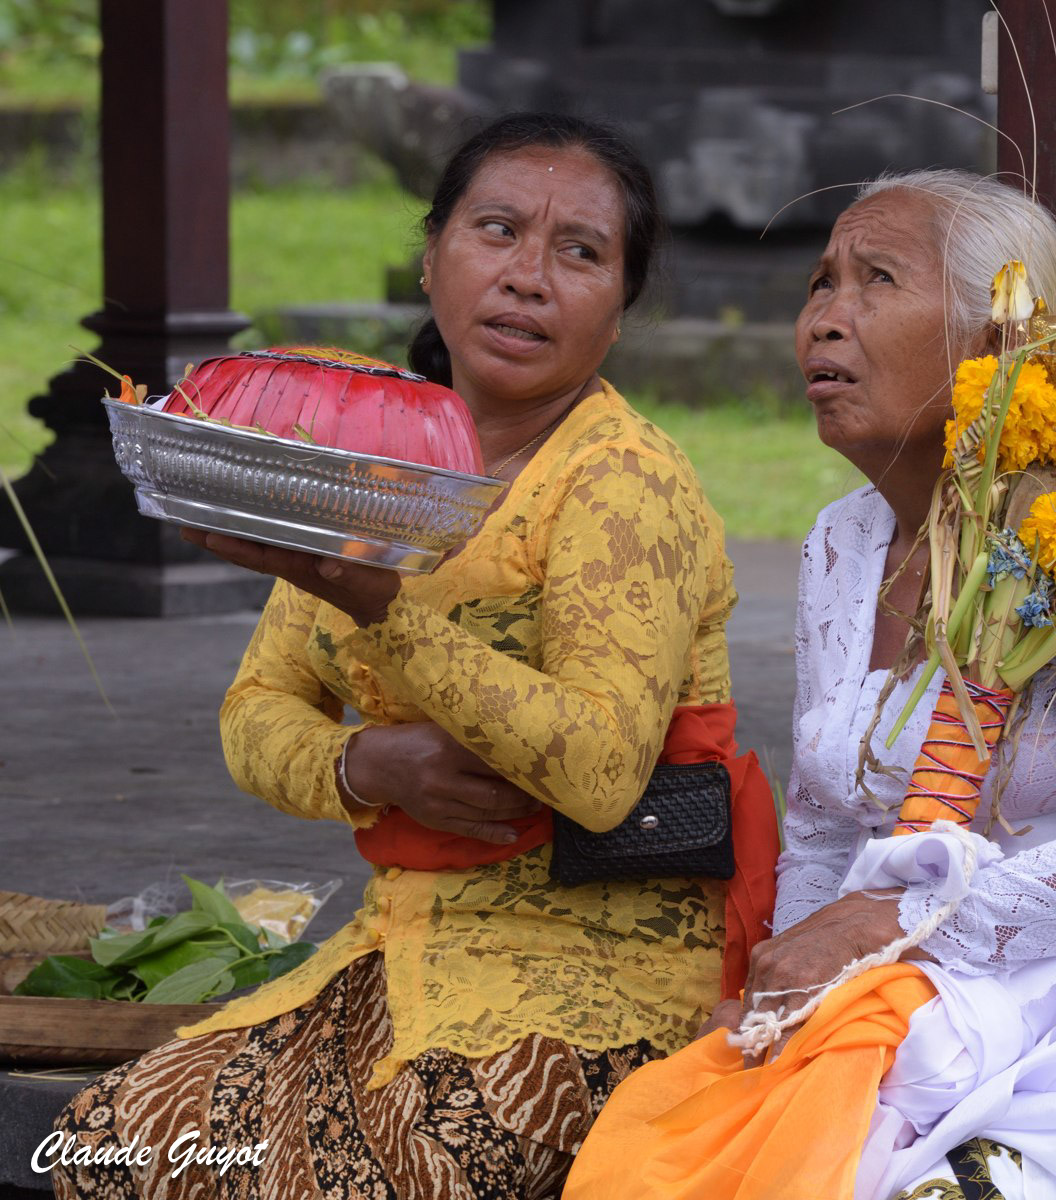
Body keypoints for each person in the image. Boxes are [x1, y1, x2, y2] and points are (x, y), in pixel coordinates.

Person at [51, 112, 777, 1200]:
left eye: (580, 253)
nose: (529, 277)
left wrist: (380, 610)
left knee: (362, 1181)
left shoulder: (623, 482)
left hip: (591, 995)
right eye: (497, 231)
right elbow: (257, 710)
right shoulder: (368, 468)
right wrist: (364, 768)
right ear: (433, 256)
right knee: (104, 1149)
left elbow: (599, 769)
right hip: (397, 959)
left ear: (617, 313)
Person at [564, 171, 1056, 1200]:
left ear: (1000, 333)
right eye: (819, 284)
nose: (824, 320)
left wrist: (901, 923)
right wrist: (789, 997)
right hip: (898, 1008)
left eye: (875, 279)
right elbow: (819, 832)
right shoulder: (840, 547)